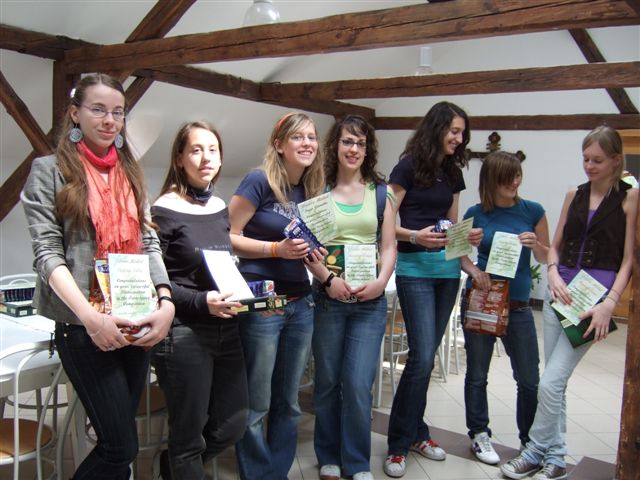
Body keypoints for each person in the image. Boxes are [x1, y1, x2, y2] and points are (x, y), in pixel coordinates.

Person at [20, 73, 175, 479]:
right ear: (75, 113)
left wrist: (166, 302)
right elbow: (48, 255)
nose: (110, 120)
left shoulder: (130, 172)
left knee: (119, 444)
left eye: (118, 112)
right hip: (83, 326)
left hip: (135, 317)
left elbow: (148, 241)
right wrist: (91, 320)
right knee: (120, 447)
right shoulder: (49, 170)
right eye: (98, 109)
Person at [501, 126, 638, 480]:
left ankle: (534, 450)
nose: (589, 166)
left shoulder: (630, 198)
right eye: (585, 159)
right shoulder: (573, 194)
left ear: (616, 161)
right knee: (555, 382)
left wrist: (610, 303)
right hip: (558, 294)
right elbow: (555, 247)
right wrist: (552, 273)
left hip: (593, 304)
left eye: (597, 160)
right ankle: (557, 457)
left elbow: (628, 260)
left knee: (550, 382)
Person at [383, 101, 482, 478]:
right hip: (414, 270)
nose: (459, 139)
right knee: (421, 358)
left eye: (462, 133)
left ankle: (417, 432)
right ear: (437, 128)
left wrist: (467, 251)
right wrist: (415, 236)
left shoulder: (453, 172)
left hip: (446, 274)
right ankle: (398, 444)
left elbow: (452, 226)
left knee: (426, 358)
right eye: (454, 131)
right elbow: (385, 220)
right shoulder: (406, 167)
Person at [228, 112, 324, 480]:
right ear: (279, 144)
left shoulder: (310, 190)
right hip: (262, 305)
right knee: (257, 403)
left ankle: (276, 473)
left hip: (301, 302)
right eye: (298, 137)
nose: (307, 143)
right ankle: (257, 473)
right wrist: (274, 250)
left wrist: (320, 258)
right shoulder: (259, 180)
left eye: (311, 137)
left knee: (289, 402)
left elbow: (307, 247)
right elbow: (227, 236)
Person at [151, 121, 249, 479]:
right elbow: (155, 281)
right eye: (196, 149)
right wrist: (201, 301)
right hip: (184, 333)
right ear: (179, 158)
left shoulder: (219, 206)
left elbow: (218, 265)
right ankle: (181, 464)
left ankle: (172, 467)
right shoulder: (163, 209)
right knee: (188, 438)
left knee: (232, 425)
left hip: (226, 328)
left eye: (213, 150)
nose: (206, 157)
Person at [304, 115, 396, 480]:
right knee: (327, 381)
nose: (354, 149)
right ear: (335, 145)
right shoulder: (319, 189)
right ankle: (328, 455)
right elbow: (308, 247)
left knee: (358, 384)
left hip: (369, 303)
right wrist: (328, 280)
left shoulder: (381, 193)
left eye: (360, 143)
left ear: (368, 149)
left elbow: (388, 247)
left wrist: (381, 282)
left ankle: (357, 462)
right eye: (347, 141)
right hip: (329, 299)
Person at [459, 151, 550, 465]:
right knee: (477, 374)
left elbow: (546, 256)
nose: (514, 182)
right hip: (483, 300)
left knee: (529, 379)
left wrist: (536, 244)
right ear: (491, 180)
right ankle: (478, 434)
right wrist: (473, 270)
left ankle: (530, 441)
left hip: (519, 305)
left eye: (518, 175)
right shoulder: (475, 212)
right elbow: (456, 251)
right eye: (507, 178)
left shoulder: (533, 210)